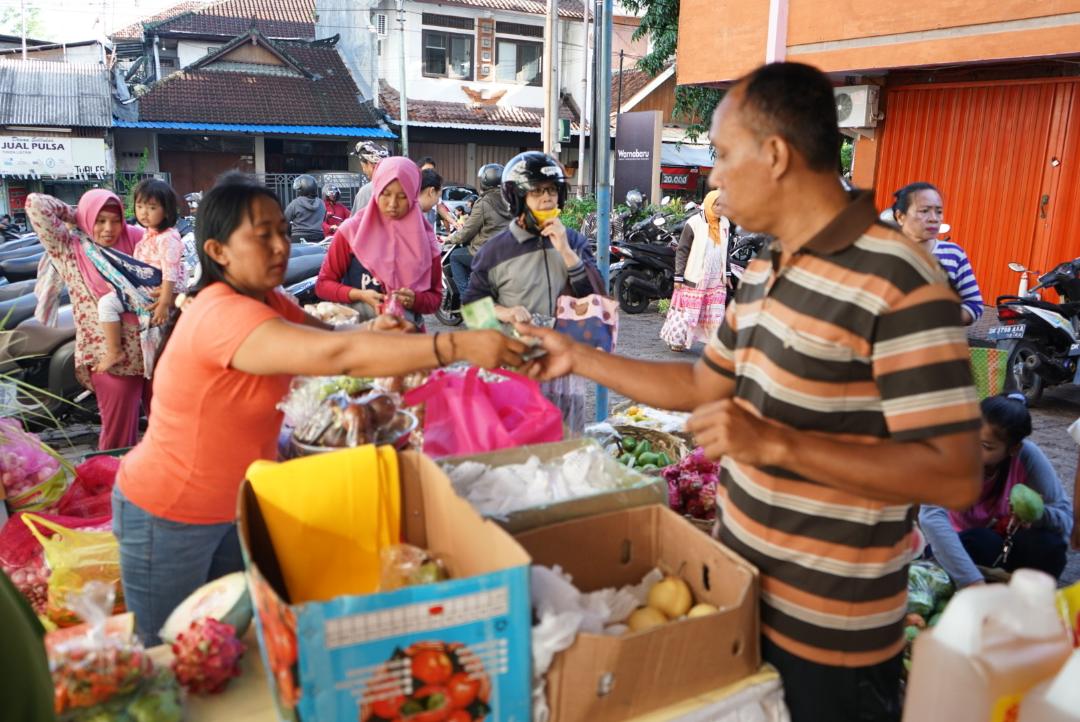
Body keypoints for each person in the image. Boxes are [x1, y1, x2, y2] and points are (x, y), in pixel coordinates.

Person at [522, 62, 982, 722]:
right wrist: (576, 356)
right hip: (741, 600)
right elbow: (706, 383)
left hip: (832, 644)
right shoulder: (769, 266)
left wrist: (773, 441)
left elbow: (956, 472)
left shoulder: (900, 280)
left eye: (720, 153)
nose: (711, 174)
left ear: (774, 155)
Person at [113, 173, 527, 645]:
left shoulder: (266, 299)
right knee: (169, 652)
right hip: (169, 513)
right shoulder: (221, 313)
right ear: (217, 251)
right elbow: (335, 359)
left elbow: (331, 338)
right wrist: (456, 345)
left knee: (228, 649)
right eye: (260, 235)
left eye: (282, 232)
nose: (279, 246)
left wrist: (376, 332)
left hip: (235, 509)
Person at [26, 190, 150, 449]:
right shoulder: (70, 250)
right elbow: (35, 204)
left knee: (162, 429)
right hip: (113, 361)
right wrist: (79, 216)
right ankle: (109, 486)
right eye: (99, 220)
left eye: (115, 220)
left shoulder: (137, 240)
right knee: (118, 438)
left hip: (153, 354)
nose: (108, 229)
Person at [920, 394, 1072, 587]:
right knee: (981, 540)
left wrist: (1037, 515)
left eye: (985, 446)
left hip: (1004, 543)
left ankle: (1028, 595)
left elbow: (1066, 518)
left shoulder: (1027, 457)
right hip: (961, 547)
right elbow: (931, 517)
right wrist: (972, 582)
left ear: (1013, 448)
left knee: (1050, 546)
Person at [463, 152, 603, 323]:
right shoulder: (494, 251)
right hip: (518, 347)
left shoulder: (575, 242)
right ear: (519, 199)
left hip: (565, 347)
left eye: (552, 190)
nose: (547, 199)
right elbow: (472, 308)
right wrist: (505, 313)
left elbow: (597, 301)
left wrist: (567, 253)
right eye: (537, 191)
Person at [315, 157, 443, 327]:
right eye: (385, 193)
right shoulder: (351, 232)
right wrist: (359, 295)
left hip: (405, 339)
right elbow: (323, 285)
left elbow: (435, 299)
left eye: (402, 196)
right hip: (359, 338)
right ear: (376, 191)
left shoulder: (426, 240)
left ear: (413, 196)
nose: (392, 204)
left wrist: (415, 300)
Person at [95, 179, 184, 375]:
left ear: (167, 211)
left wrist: (164, 302)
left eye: (152, 207)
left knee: (107, 305)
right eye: (140, 206)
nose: (144, 212)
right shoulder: (148, 233)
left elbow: (170, 271)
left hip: (155, 291)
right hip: (144, 289)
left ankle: (115, 352)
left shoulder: (168, 237)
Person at [892, 182, 983, 325]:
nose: (934, 218)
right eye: (924, 211)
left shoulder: (954, 254)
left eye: (939, 211)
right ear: (900, 217)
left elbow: (974, 304)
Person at [661, 189, 730, 352]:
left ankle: (715, 344)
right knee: (687, 313)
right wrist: (678, 277)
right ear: (709, 204)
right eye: (717, 204)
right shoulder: (694, 223)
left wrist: (726, 274)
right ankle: (677, 340)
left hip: (716, 278)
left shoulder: (725, 223)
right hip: (695, 277)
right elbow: (682, 250)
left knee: (716, 312)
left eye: (723, 204)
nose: (720, 208)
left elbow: (726, 249)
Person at [445, 163, 513, 297]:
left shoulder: (483, 203)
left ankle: (467, 297)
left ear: (485, 181)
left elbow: (467, 232)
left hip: (487, 252)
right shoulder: (510, 200)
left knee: (455, 257)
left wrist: (449, 239)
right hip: (508, 251)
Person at [350, 141, 389, 215]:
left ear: (370, 164)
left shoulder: (366, 191)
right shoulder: (399, 185)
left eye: (363, 166)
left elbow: (357, 223)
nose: (363, 170)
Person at [284, 174, 325, 243]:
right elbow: (324, 219)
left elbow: (284, 221)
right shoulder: (322, 203)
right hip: (319, 238)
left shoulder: (295, 203)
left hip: (299, 238)